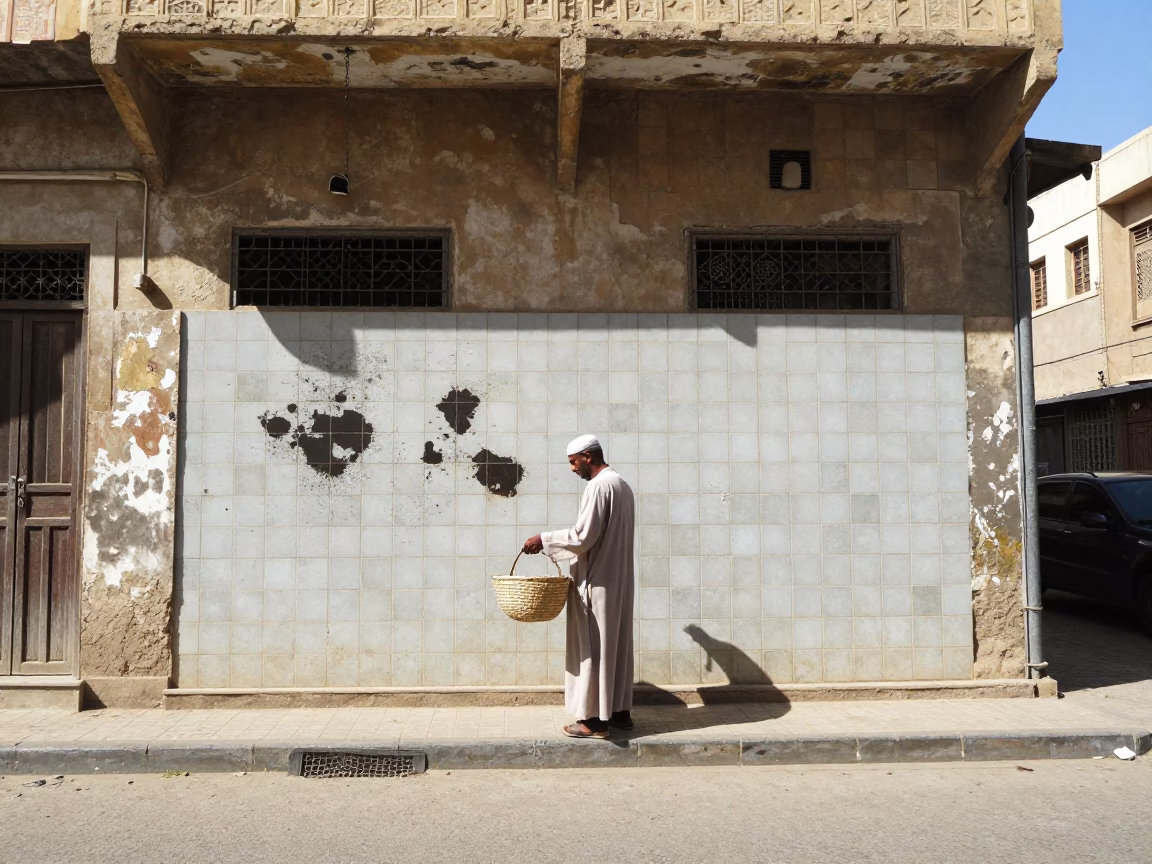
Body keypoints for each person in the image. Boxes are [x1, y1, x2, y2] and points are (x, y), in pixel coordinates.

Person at [522, 434, 636, 739]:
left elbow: (583, 536)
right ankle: (620, 712)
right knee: (616, 646)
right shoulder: (622, 485)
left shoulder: (598, 486)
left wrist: (544, 539)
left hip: (598, 583)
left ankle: (594, 722)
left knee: (593, 648)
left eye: (574, 462)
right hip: (619, 582)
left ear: (588, 456)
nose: (573, 469)